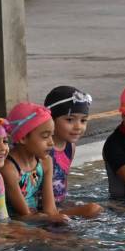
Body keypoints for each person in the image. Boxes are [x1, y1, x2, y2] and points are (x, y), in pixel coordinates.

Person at [0, 102, 68, 223]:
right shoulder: (9, 169)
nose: (51, 143)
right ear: (23, 138)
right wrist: (50, 220)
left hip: (38, 217)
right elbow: (24, 214)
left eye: (52, 135)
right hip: (17, 223)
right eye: (45, 136)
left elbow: (50, 209)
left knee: (92, 209)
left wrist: (56, 219)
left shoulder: (45, 162)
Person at [43, 86, 103, 218]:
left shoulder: (70, 147)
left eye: (83, 120)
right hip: (44, 211)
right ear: (51, 119)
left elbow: (62, 183)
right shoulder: (43, 151)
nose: (78, 127)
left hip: (59, 204)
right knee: (92, 209)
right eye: (70, 120)